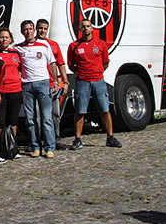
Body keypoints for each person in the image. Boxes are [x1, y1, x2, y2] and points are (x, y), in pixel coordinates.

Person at [67, 19, 123, 150]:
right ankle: (78, 139)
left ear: (92, 28)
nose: (86, 29)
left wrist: (97, 72)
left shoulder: (101, 44)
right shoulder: (74, 46)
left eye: (88, 26)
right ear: (80, 29)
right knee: (80, 111)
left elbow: (106, 62)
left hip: (99, 81)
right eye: (83, 27)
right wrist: (82, 73)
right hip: (82, 82)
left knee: (105, 110)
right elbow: (71, 65)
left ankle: (110, 137)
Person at [13, 20, 59, 158]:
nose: (28, 32)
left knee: (46, 118)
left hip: (43, 83)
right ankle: (35, 146)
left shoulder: (44, 45)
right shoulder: (17, 48)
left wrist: (55, 81)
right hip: (27, 85)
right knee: (31, 119)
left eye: (30, 29)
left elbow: (52, 63)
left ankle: (50, 147)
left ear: (34, 30)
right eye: (25, 29)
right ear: (22, 32)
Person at [36, 19, 69, 144]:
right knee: (38, 116)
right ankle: (39, 141)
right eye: (40, 28)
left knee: (55, 114)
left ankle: (56, 138)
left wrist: (65, 82)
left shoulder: (53, 44)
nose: (42, 31)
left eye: (45, 28)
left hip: (53, 85)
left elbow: (61, 64)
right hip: (39, 85)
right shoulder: (32, 44)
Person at [0, 28, 23, 138]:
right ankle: (0, 147)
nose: (4, 39)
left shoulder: (16, 53)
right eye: (2, 37)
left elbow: (19, 69)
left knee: (13, 121)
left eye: (7, 37)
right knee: (0, 122)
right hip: (1, 92)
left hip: (15, 91)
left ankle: (12, 147)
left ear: (10, 39)